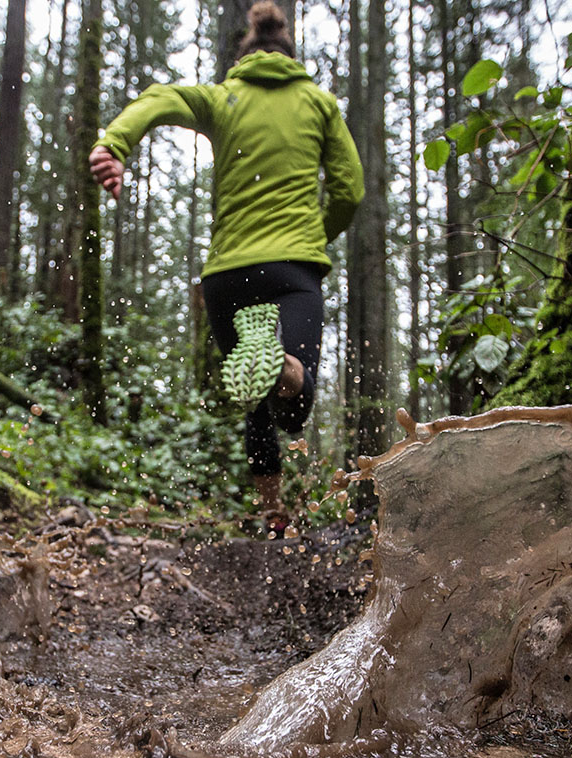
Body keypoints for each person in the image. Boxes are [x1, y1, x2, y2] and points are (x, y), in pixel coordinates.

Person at [89, 0, 363, 523]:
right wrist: (313, 237)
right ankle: (283, 367)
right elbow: (350, 190)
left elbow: (161, 97)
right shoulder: (318, 102)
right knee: (292, 401)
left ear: (245, 55)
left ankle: (272, 511)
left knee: (253, 401)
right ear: (289, 53)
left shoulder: (223, 98)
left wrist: (115, 144)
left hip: (226, 276)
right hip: (292, 271)